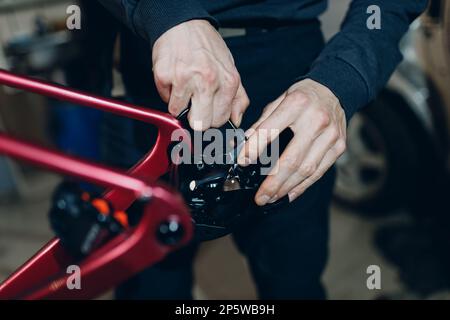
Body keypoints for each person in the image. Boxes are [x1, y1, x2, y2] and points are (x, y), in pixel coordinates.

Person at [93, 0, 428, 299]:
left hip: (289, 76)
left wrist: (343, 78)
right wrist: (166, 11)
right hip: (155, 64)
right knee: (149, 283)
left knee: (294, 277)